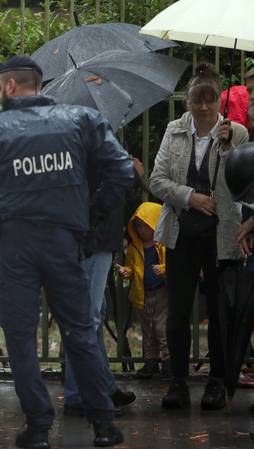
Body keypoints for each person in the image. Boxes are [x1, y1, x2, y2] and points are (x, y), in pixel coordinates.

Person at [0, 56, 133, 448]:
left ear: (10, 87)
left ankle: (37, 427)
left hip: (16, 243)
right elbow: (122, 170)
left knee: (19, 336)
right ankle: (103, 423)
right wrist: (91, 210)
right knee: (80, 330)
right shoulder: (81, 120)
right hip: (64, 239)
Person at [149, 63, 249, 410]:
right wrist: (190, 196)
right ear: (188, 102)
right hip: (182, 230)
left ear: (218, 101)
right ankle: (177, 380)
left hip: (221, 233)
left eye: (209, 99)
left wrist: (225, 148)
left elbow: (237, 183)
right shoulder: (174, 131)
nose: (203, 106)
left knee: (220, 311)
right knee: (178, 311)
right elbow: (157, 180)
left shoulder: (235, 133)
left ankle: (217, 381)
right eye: (197, 99)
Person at [61, 176, 136, 416]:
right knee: (86, 319)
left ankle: (103, 387)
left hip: (94, 237)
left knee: (91, 317)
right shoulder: (91, 140)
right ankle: (80, 395)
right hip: (93, 238)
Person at [115, 202, 169, 379]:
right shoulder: (133, 248)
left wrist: (163, 268)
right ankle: (150, 361)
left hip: (161, 292)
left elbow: (172, 266)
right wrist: (126, 271)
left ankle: (168, 362)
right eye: (137, 226)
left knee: (161, 328)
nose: (141, 230)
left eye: (145, 225)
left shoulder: (162, 245)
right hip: (142, 294)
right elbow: (132, 268)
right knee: (147, 329)